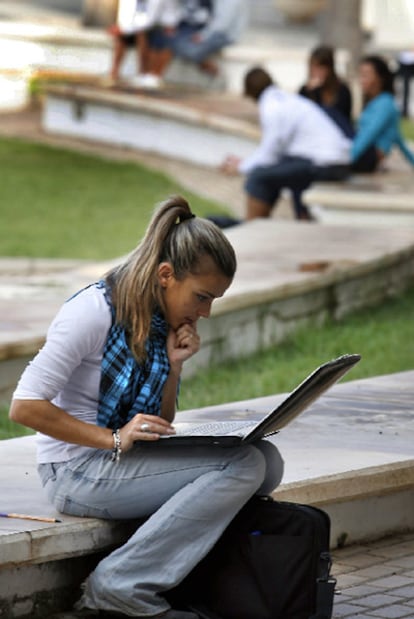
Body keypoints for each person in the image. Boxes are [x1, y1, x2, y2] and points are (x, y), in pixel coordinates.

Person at [9, 195, 284, 619]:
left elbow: (161, 421)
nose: (206, 313)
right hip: (74, 470)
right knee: (243, 465)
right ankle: (120, 584)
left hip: (119, 459)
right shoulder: (92, 312)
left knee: (267, 460)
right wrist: (112, 437)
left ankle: (178, 574)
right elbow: (24, 406)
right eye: (202, 297)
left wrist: (174, 367)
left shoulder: (158, 320)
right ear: (165, 275)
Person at [221, 67, 352, 221]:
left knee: (259, 177)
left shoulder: (271, 106)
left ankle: (251, 228)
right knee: (272, 173)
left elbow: (270, 153)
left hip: (326, 165)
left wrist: (241, 167)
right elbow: (274, 152)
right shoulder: (286, 100)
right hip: (333, 162)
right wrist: (246, 162)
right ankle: (259, 224)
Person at [351, 54, 414, 172]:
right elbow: (398, 138)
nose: (361, 80)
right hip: (364, 154)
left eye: (366, 75)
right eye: (361, 75)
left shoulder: (385, 103)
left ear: (380, 77)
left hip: (368, 156)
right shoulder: (378, 102)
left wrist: (349, 158)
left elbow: (368, 134)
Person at [106, 0, 181, 88]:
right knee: (122, 38)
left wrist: (123, 29)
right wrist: (122, 29)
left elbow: (150, 20)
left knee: (141, 35)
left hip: (162, 28)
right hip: (140, 27)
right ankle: (114, 72)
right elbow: (130, 17)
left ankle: (142, 73)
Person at [167, 0, 249, 77]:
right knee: (174, 41)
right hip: (211, 30)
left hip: (224, 35)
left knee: (186, 48)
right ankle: (204, 62)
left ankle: (208, 65)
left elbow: (220, 25)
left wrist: (202, 35)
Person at [299, 45, 353, 130]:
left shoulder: (342, 90)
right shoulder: (305, 90)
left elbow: (343, 118)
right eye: (313, 67)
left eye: (321, 68)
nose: (316, 72)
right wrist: (310, 92)